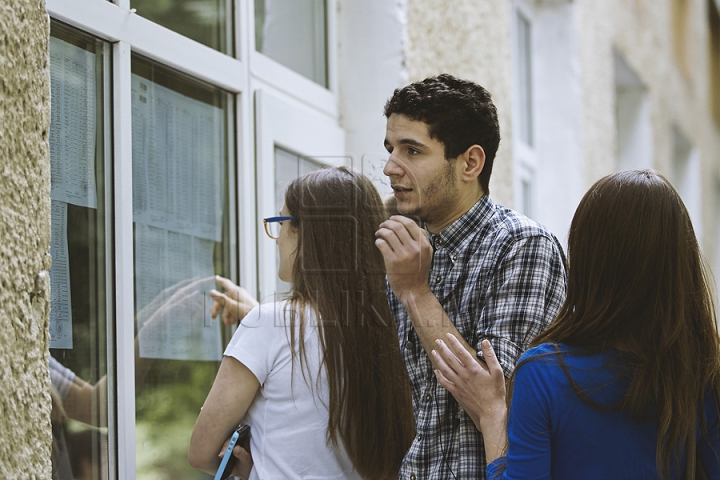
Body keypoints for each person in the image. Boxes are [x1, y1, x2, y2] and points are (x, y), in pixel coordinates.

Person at [433, 169, 720, 479]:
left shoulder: (544, 375)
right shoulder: (703, 375)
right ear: (681, 266)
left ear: (588, 263)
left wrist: (492, 416)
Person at [373, 73, 568, 479]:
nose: (391, 167)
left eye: (412, 151)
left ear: (470, 162)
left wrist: (414, 291)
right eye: (391, 149)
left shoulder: (523, 246)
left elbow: (498, 400)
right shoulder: (409, 250)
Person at [188, 167, 415, 479]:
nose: (277, 238)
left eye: (281, 223)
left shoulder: (268, 325)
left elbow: (201, 452)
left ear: (308, 234)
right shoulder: (385, 326)